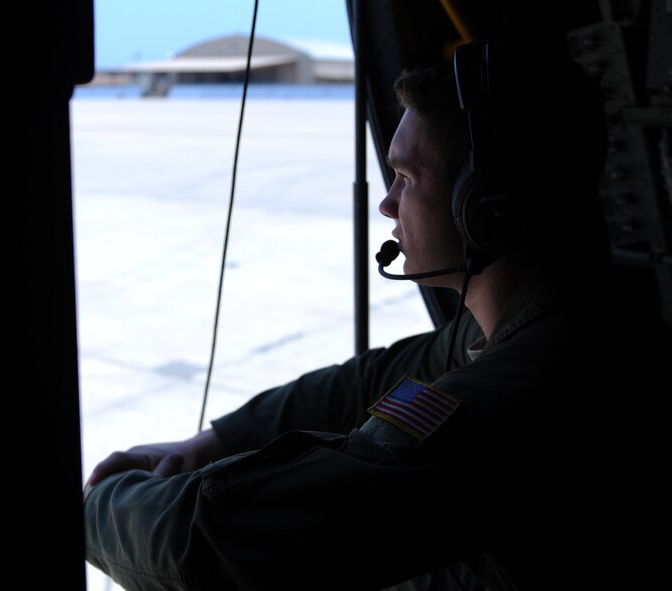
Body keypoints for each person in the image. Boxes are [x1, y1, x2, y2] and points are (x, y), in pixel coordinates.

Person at [82, 39, 670, 590]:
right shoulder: (525, 321)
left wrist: (96, 507)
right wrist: (209, 442)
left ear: (490, 207)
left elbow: (218, 542)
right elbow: (371, 379)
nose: (387, 202)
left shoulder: (533, 389)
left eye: (408, 177)